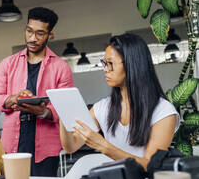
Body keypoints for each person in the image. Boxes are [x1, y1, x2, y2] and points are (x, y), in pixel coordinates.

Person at [60, 34, 179, 170]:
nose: (105, 69)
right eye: (104, 63)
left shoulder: (163, 111)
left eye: (110, 63)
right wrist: (62, 114)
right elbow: (71, 146)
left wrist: (103, 146)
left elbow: (150, 165)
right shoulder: (103, 108)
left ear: (132, 63)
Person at [0, 7, 74, 177]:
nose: (32, 38)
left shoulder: (61, 68)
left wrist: (42, 112)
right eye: (29, 31)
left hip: (46, 149)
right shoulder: (7, 64)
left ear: (50, 35)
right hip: (11, 145)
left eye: (40, 34)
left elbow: (66, 110)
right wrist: (12, 99)